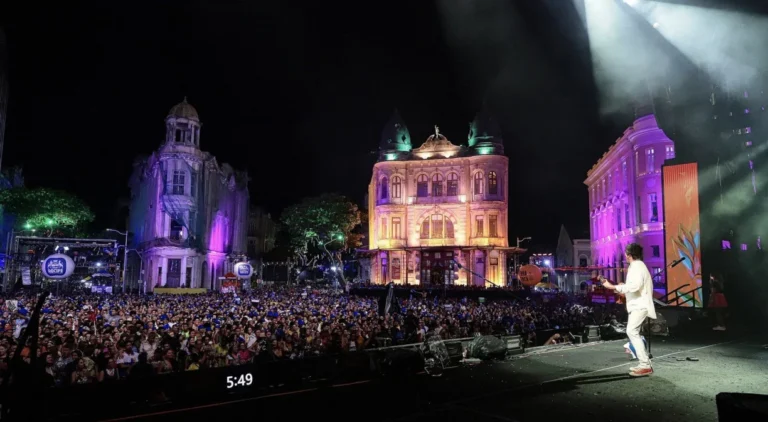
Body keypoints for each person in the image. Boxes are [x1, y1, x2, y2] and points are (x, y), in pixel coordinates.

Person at [601, 243, 656, 377]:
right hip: (639, 304)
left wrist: (614, 287)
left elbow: (635, 286)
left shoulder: (636, 266)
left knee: (631, 331)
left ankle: (645, 365)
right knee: (633, 331)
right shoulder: (638, 265)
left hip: (640, 305)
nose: (625, 256)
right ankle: (645, 364)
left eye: (626, 253)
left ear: (629, 254)